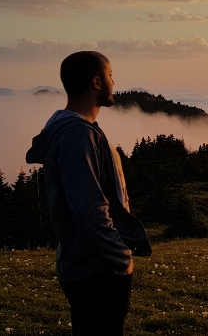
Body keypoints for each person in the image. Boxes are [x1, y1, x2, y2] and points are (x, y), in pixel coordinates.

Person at [26, 51, 151, 336]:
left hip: (88, 264)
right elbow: (89, 207)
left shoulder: (78, 130)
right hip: (95, 268)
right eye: (110, 75)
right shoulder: (77, 135)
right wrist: (119, 257)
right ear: (96, 82)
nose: (114, 82)